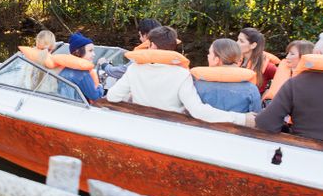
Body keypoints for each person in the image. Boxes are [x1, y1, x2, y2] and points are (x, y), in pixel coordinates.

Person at [106, 26, 248, 125]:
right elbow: (198, 111)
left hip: (140, 124)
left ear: (153, 46)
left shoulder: (135, 69)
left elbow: (112, 96)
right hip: (170, 129)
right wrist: (242, 119)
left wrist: (131, 95)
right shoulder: (182, 74)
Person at [250, 33, 323, 147]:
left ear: (317, 53)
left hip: (306, 155)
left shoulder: (296, 83)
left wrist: (286, 130)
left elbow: (265, 123)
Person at [193, 39, 261, 113]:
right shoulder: (251, 89)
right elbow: (255, 117)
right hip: (237, 124)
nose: (207, 56)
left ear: (216, 60)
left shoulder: (196, 85)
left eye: (209, 53)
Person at [58, 32, 104, 102]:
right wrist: (100, 86)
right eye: (90, 51)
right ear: (78, 52)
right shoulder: (82, 73)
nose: (94, 54)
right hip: (76, 108)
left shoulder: (66, 68)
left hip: (64, 104)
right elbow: (95, 96)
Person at [237, 28, 276, 95]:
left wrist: (268, 92)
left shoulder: (268, 67)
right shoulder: (234, 60)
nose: (236, 43)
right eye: (237, 39)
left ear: (253, 45)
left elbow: (284, 81)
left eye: (241, 41)